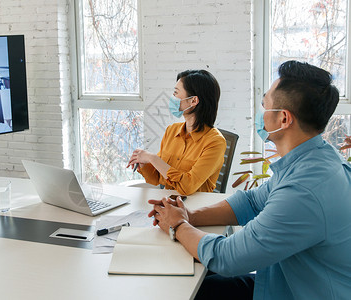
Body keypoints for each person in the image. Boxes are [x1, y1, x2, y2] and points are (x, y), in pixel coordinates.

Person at [148, 61, 351, 300]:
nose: (259, 112)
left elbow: (227, 257)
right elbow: (252, 202)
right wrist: (190, 216)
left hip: (294, 292)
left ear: (283, 119)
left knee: (188, 290)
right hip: (281, 278)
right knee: (197, 277)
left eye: (264, 105)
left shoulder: (305, 190)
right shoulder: (313, 159)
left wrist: (179, 226)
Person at [127, 70, 226, 195]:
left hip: (194, 209)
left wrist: (152, 158)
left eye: (176, 93)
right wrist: (143, 163)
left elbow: (187, 187)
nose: (172, 98)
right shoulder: (172, 131)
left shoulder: (215, 142)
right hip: (168, 203)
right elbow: (156, 179)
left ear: (193, 101)